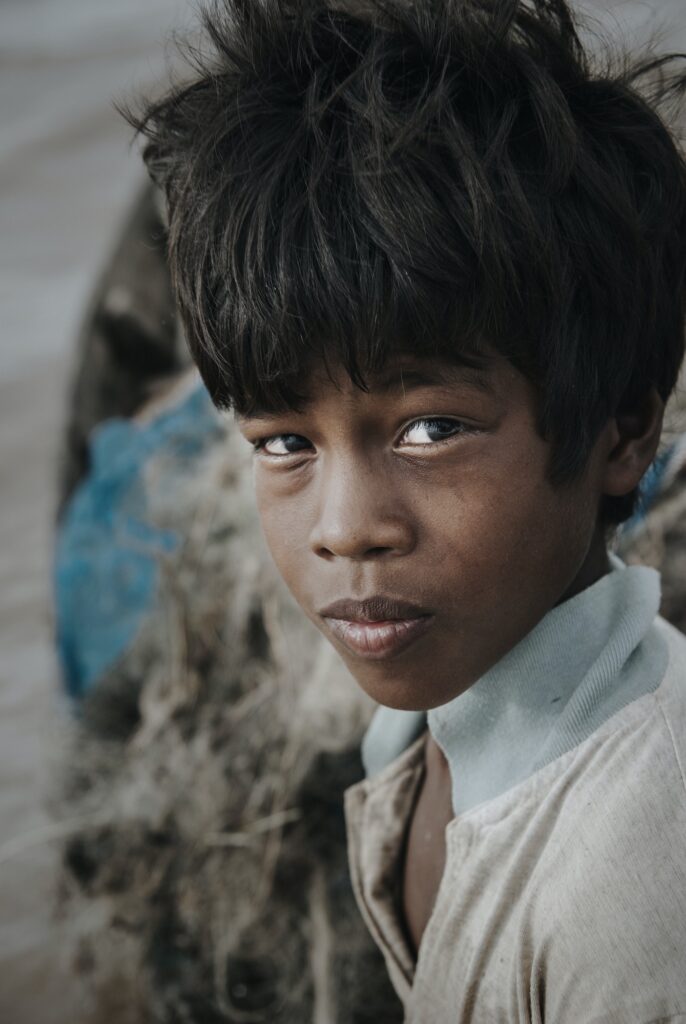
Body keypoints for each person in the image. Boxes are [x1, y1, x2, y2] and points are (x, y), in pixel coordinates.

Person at [127, 0, 686, 1018]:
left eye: (429, 429)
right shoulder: (420, 730)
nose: (344, 526)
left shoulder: (634, 898)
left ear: (620, 433)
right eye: (285, 443)